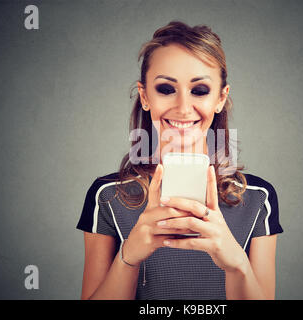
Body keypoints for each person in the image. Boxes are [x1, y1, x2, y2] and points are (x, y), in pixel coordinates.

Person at [76, 20, 283, 300]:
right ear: (145, 96)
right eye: (165, 89)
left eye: (199, 90)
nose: (183, 108)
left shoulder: (258, 198)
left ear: (221, 99)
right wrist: (129, 256)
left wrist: (237, 266)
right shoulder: (108, 195)